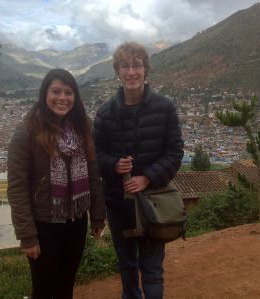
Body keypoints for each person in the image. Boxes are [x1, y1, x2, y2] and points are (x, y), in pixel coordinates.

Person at [93, 42, 184, 299]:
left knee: (152, 268)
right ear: (117, 71)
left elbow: (175, 152)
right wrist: (113, 164)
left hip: (152, 202)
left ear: (146, 70)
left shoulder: (164, 109)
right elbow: (96, 155)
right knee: (126, 266)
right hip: (119, 202)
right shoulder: (105, 113)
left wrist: (147, 177)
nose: (131, 71)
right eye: (125, 66)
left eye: (137, 65)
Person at [7, 68, 106, 299]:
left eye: (68, 92)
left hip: (76, 220)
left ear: (75, 97)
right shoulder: (28, 131)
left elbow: (93, 173)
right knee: (43, 289)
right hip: (44, 224)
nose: (62, 98)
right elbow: (17, 186)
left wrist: (97, 214)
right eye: (56, 91)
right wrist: (27, 235)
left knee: (66, 285)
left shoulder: (83, 127)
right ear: (45, 94)